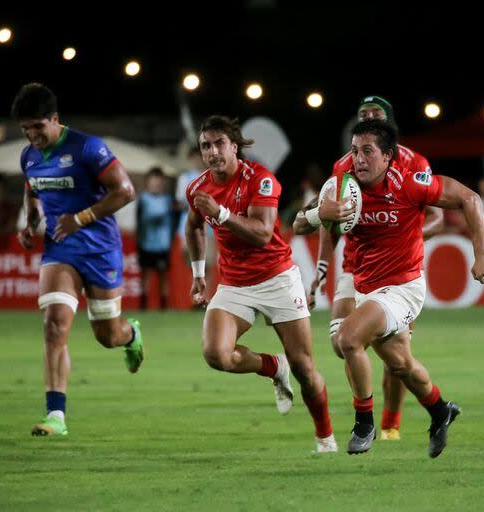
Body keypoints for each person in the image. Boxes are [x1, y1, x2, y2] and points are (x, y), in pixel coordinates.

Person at [302, 119, 484, 456]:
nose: (358, 159)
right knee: (400, 364)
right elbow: (298, 223)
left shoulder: (410, 183)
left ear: (388, 156)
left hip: (403, 287)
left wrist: (481, 254)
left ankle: (364, 424)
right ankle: (440, 410)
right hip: (364, 285)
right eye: (354, 151)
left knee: (348, 339)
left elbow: (470, 198)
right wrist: (320, 214)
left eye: (367, 152)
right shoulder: (342, 183)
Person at [185, 115, 336, 453]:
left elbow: (263, 233)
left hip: (277, 279)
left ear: (234, 146)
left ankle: (325, 438)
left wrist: (221, 214)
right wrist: (198, 274)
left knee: (305, 369)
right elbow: (193, 225)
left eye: (218, 144)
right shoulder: (198, 188)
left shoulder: (261, 179)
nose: (212, 152)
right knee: (216, 354)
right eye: (205, 146)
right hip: (235, 283)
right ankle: (273, 365)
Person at [297, 96, 443, 442]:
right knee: (343, 342)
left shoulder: (413, 164)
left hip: (399, 273)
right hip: (356, 268)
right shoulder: (343, 168)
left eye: (376, 116)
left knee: (394, 360)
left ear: (389, 126)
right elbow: (322, 220)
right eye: (363, 117)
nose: (369, 120)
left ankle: (387, 423)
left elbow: (441, 212)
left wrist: (400, 235)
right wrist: (320, 267)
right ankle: (433, 409)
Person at [12, 83, 144, 437]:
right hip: (60, 249)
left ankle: (131, 336)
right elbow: (32, 190)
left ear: (55, 119)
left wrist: (81, 218)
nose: (32, 135)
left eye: (38, 127)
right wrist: (31, 223)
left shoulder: (87, 147)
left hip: (100, 249)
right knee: (54, 325)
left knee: (107, 335)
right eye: (26, 129)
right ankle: (56, 414)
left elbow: (126, 191)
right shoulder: (28, 156)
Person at [136, 167, 174, 310]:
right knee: (146, 274)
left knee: (163, 275)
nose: (156, 184)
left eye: (158, 182)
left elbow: (173, 221)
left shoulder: (168, 200)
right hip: (146, 244)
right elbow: (140, 221)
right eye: (153, 182)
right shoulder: (143, 199)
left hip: (163, 244)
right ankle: (143, 305)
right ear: (148, 183)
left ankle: (163, 305)